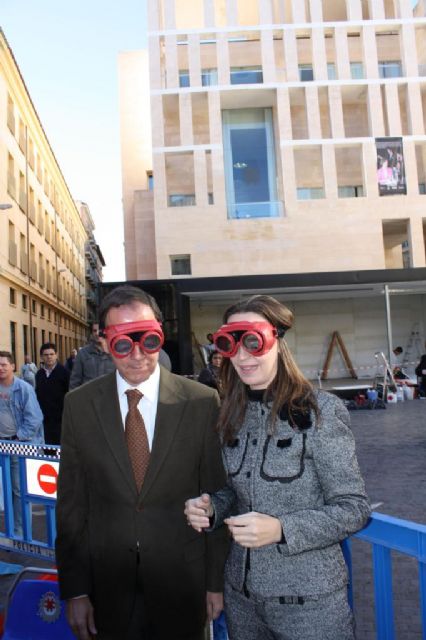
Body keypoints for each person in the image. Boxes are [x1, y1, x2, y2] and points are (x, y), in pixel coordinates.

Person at [185, 295, 371, 640]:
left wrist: (282, 529)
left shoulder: (319, 411)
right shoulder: (232, 414)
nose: (241, 356)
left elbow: (354, 508)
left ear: (277, 341)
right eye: (230, 345)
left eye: (252, 342)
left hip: (310, 605)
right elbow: (239, 494)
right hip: (243, 600)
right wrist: (213, 507)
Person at [56, 285, 229, 640]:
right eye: (122, 343)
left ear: (161, 337)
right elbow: (72, 505)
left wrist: (214, 582)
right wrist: (75, 590)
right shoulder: (79, 405)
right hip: (107, 586)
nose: (136, 354)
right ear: (104, 342)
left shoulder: (201, 401)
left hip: (182, 582)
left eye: (147, 340)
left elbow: (216, 493)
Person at [0, 351, 44, 536]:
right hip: (2, 446)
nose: (0, 368)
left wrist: (17, 439)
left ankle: (19, 531)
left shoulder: (23, 388)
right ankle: (9, 528)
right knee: (6, 490)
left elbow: (35, 419)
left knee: (19, 491)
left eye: (4, 364)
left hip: (19, 446)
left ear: (12, 366)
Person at [35, 343, 69, 445]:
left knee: (60, 449)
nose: (49, 357)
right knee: (47, 450)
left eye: (51, 354)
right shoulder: (39, 374)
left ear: (56, 355)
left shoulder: (65, 373)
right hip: (44, 420)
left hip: (61, 420)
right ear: (41, 357)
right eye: (46, 355)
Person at [69, 322, 115, 389]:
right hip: (88, 398)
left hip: (110, 397)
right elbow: (75, 381)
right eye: (94, 331)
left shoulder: (115, 353)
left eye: (100, 330)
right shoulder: (82, 354)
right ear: (91, 334)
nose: (97, 333)